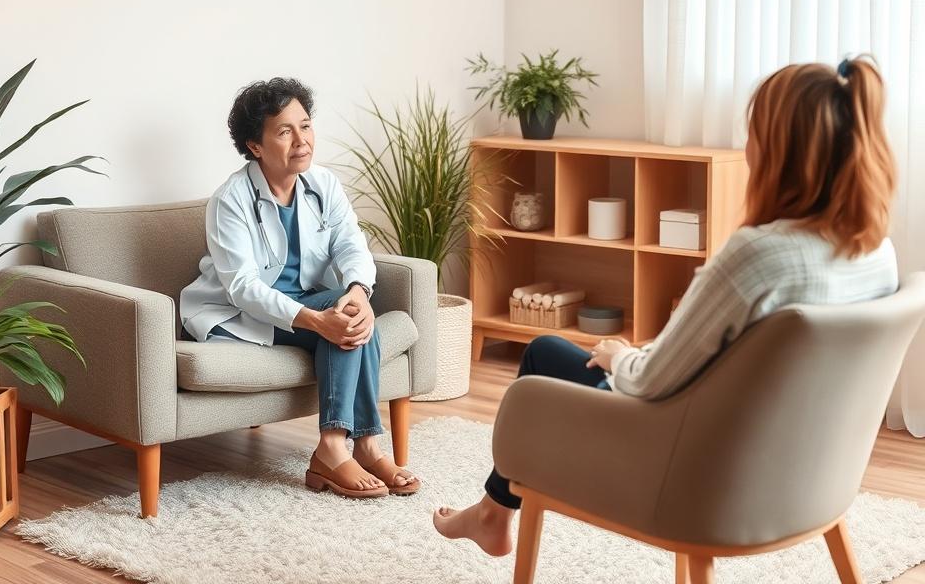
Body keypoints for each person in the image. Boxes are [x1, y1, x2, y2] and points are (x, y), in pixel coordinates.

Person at [434, 55, 898, 555]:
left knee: (544, 352)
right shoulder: (876, 252)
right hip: (806, 474)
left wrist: (619, 356)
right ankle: (491, 514)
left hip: (694, 470)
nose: (747, 146)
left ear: (779, 150)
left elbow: (651, 381)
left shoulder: (758, 257)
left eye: (753, 132)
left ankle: (491, 514)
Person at [180, 77, 419, 499]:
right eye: (284, 131)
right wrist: (316, 320)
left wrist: (359, 292)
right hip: (242, 314)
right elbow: (242, 288)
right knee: (341, 326)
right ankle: (337, 446)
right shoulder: (231, 200)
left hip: (308, 300)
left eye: (305, 126)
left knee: (351, 318)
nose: (301, 141)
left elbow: (352, 245)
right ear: (255, 146)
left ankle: (362, 445)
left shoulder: (323, 185)